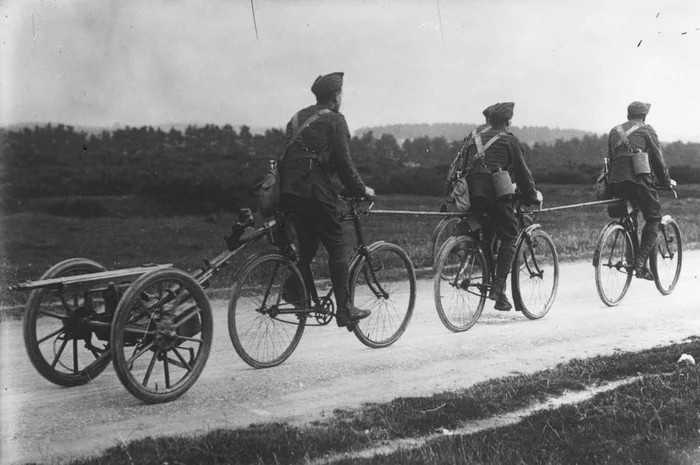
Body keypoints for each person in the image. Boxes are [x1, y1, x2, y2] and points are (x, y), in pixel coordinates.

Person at [278, 72, 375, 328]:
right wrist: (361, 189)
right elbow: (344, 162)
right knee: (336, 245)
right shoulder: (335, 120)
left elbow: (304, 156)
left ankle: (294, 290)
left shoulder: (297, 117)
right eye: (341, 94)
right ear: (336, 96)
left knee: (307, 246)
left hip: (289, 190)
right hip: (315, 192)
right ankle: (344, 309)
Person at [461, 102, 539, 311]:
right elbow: (522, 174)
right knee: (511, 236)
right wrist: (531, 195)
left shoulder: (473, 138)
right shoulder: (509, 140)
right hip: (494, 194)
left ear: (488, 120)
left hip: (471, 194)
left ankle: (499, 292)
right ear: (507, 121)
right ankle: (496, 288)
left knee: (486, 236)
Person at [607, 101, 672, 280]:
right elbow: (658, 160)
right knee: (654, 218)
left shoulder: (614, 131)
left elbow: (612, 159)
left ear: (628, 115)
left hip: (615, 182)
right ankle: (640, 262)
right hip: (638, 180)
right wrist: (666, 182)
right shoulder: (647, 130)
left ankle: (632, 258)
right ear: (644, 116)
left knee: (630, 219)